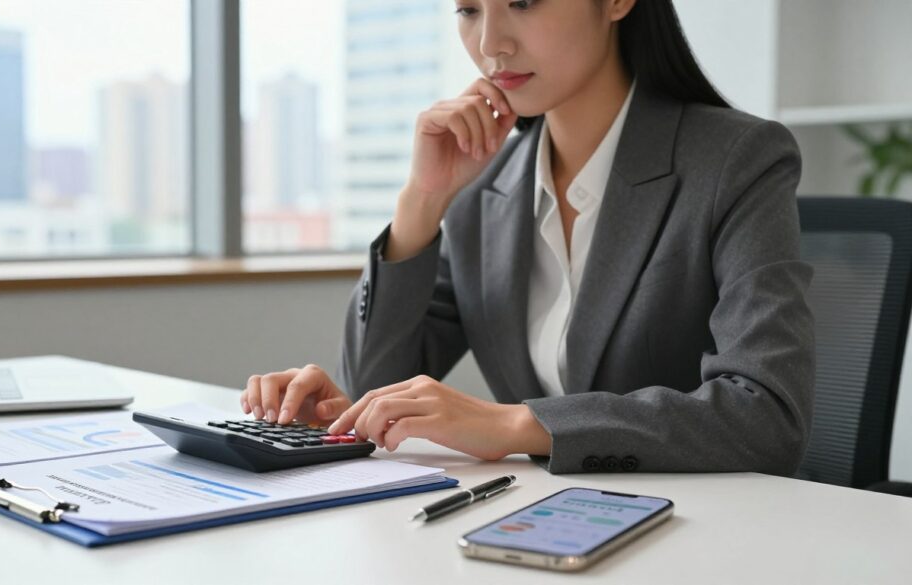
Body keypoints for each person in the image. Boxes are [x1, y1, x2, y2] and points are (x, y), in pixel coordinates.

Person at [240, 0, 815, 475]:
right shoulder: (483, 187)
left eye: (522, 3)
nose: (491, 43)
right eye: (468, 10)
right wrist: (422, 201)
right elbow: (377, 390)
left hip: (706, 533)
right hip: (540, 523)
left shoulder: (736, 161)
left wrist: (516, 423)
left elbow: (765, 415)